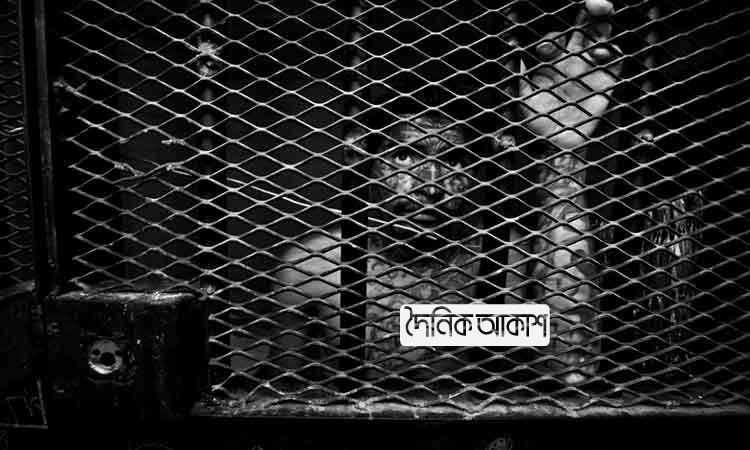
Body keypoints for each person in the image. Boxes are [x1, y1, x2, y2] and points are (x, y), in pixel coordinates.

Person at [270, 0, 622, 385]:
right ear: (366, 161)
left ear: (477, 172)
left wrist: (563, 151)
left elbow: (573, 370)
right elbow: (282, 401)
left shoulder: (508, 267)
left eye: (454, 160)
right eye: (405, 155)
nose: (432, 185)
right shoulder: (315, 268)